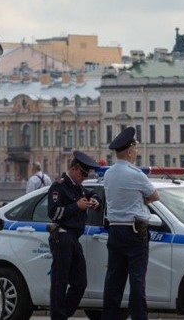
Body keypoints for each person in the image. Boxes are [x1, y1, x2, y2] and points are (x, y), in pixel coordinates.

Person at [102, 128, 159, 320]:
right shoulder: (135, 174)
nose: (137, 151)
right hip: (135, 232)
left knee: (113, 280)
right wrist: (142, 201)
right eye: (135, 148)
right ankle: (139, 317)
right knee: (136, 279)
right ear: (129, 151)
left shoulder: (108, 174)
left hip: (115, 230)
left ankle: (109, 317)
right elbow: (154, 196)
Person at [47, 151, 101, 320]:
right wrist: (76, 206)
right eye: (83, 174)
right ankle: (58, 316)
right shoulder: (59, 187)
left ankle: (63, 314)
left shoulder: (78, 188)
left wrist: (95, 201)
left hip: (74, 239)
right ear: (74, 169)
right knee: (60, 281)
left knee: (80, 282)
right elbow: (53, 213)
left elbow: (92, 193)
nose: (84, 178)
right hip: (62, 237)